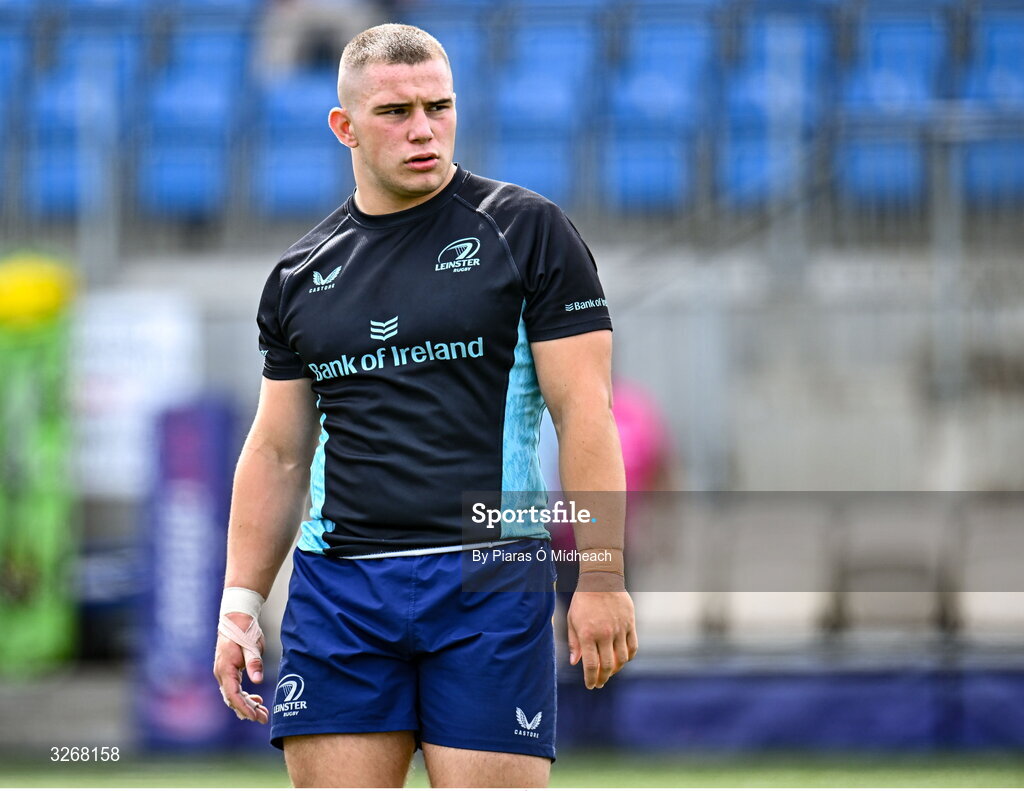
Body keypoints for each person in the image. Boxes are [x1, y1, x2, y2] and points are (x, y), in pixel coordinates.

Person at [212, 23, 637, 788]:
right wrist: (240, 602)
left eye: (438, 107)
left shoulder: (528, 231)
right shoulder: (300, 273)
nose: (423, 130)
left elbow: (586, 412)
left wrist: (601, 576)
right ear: (344, 126)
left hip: (490, 568)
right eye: (396, 112)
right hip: (339, 585)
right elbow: (277, 450)